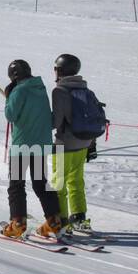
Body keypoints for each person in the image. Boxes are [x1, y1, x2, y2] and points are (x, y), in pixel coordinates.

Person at [0, 59, 63, 239]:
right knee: (40, 183)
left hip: (22, 146)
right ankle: (54, 220)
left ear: (14, 76)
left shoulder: (19, 90)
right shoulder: (40, 89)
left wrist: (9, 97)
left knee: (16, 185)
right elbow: (49, 120)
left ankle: (17, 222)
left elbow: (10, 115)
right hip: (41, 145)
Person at [51, 53, 100, 233]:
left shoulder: (60, 91)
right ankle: (79, 217)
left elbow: (56, 122)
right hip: (84, 143)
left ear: (60, 70)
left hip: (64, 145)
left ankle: (61, 220)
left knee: (58, 183)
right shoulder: (86, 90)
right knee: (76, 181)